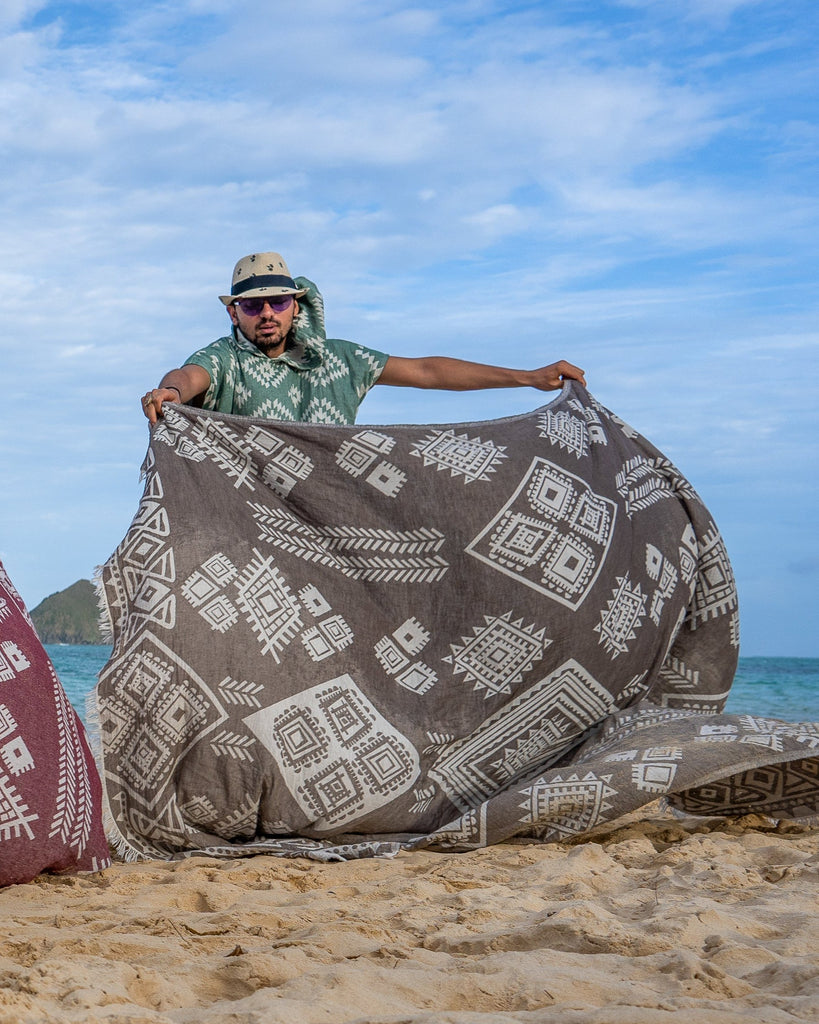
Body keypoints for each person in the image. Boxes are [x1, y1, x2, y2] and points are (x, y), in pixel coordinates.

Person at [141, 251, 586, 425]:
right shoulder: (225, 359)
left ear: (296, 305)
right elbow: (190, 376)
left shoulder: (341, 360)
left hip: (335, 521)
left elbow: (427, 371)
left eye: (277, 302)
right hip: (248, 528)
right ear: (233, 312)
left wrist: (530, 377)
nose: (267, 314)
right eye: (254, 306)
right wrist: (170, 391)